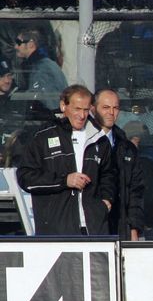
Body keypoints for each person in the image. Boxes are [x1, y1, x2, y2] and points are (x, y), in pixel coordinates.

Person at [16, 84, 116, 235]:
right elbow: (25, 178)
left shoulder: (99, 138)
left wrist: (106, 201)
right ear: (63, 105)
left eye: (86, 110)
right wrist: (64, 181)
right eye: (77, 109)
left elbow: (109, 174)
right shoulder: (43, 136)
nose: (82, 115)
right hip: (57, 229)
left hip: (94, 229)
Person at [92, 88, 145, 241]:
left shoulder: (127, 148)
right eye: (106, 107)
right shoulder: (83, 143)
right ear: (93, 109)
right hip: (93, 227)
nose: (111, 112)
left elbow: (136, 191)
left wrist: (134, 228)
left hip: (121, 227)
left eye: (115, 108)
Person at [14, 26, 67, 109]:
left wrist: (14, 97)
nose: (15, 47)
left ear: (31, 44)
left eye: (18, 42)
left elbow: (43, 99)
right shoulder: (45, 64)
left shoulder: (41, 68)